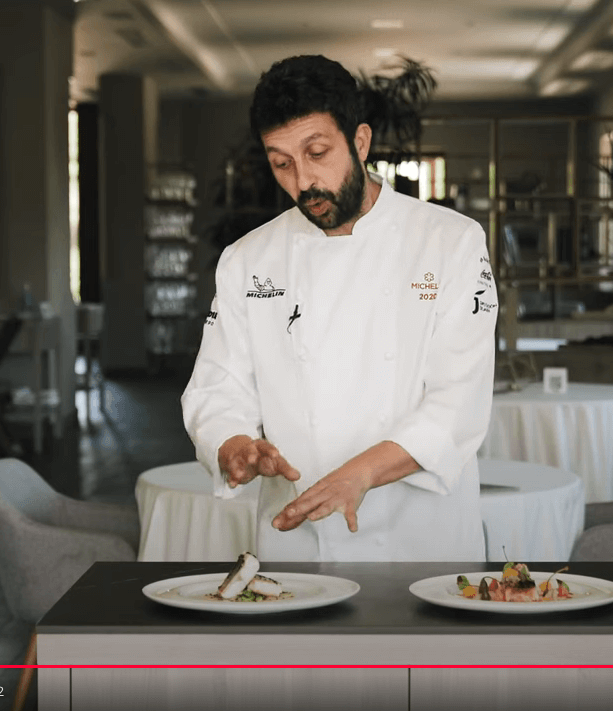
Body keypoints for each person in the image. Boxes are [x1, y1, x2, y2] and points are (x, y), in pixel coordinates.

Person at [181, 55, 498, 562]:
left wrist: (359, 475)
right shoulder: (247, 260)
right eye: (282, 163)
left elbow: (458, 404)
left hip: (420, 542)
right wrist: (233, 443)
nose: (304, 181)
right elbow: (217, 386)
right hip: (298, 539)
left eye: (318, 152)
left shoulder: (451, 242)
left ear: (361, 141)